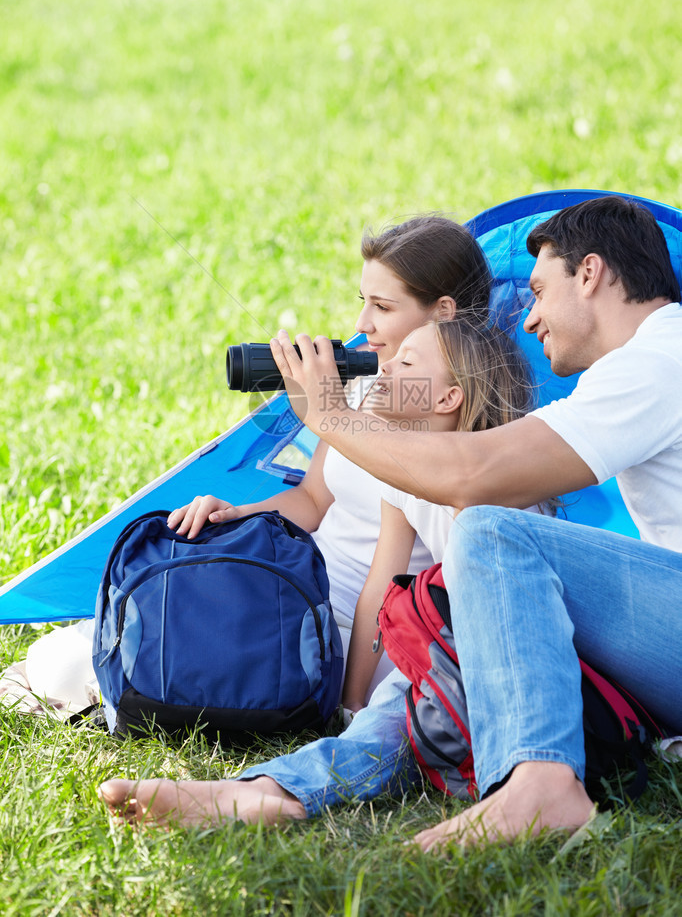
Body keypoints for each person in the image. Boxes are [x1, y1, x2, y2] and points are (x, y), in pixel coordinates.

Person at [258, 194, 682, 850]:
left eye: (540, 290)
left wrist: (330, 415)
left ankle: (541, 787)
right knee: (456, 637)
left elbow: (474, 475)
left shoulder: (658, 360)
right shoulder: (652, 361)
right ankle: (280, 788)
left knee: (489, 527)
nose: (532, 316)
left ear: (591, 274)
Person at [0, 214, 491, 717]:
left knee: (159, 650)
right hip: (295, 581)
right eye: (362, 301)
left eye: (382, 307)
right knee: (129, 623)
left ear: (443, 313)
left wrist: (352, 701)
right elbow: (314, 499)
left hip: (355, 633)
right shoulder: (363, 387)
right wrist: (241, 517)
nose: (362, 324)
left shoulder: (465, 426)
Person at [98, 315, 543, 827]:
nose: (384, 370)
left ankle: (257, 795)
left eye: (405, 363)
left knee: (403, 710)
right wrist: (348, 703)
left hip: (506, 652)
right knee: (390, 707)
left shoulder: (502, 485)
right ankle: (271, 792)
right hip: (440, 654)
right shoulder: (399, 475)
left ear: (447, 399)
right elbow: (382, 590)